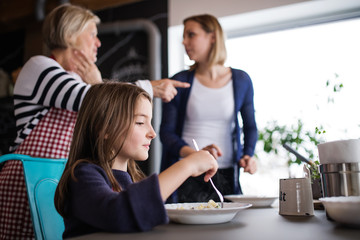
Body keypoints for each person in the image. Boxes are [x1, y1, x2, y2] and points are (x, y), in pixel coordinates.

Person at [0, 4, 189, 239]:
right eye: (92, 34)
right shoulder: (39, 66)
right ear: (69, 34)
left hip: (56, 178)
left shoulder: (77, 80)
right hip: (28, 180)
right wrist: (149, 87)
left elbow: (100, 103)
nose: (98, 42)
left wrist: (98, 84)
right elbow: (93, 102)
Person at [54, 82, 218, 238]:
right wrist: (187, 166)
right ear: (104, 128)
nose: (152, 133)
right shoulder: (82, 175)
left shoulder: (133, 180)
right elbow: (119, 214)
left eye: (150, 122)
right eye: (140, 122)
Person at [160, 14, 258, 203]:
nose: (184, 41)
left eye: (191, 35)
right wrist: (196, 155)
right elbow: (166, 133)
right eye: (183, 36)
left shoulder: (241, 80)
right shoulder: (179, 81)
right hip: (188, 173)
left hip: (228, 173)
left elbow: (250, 127)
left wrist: (248, 154)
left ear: (212, 37)